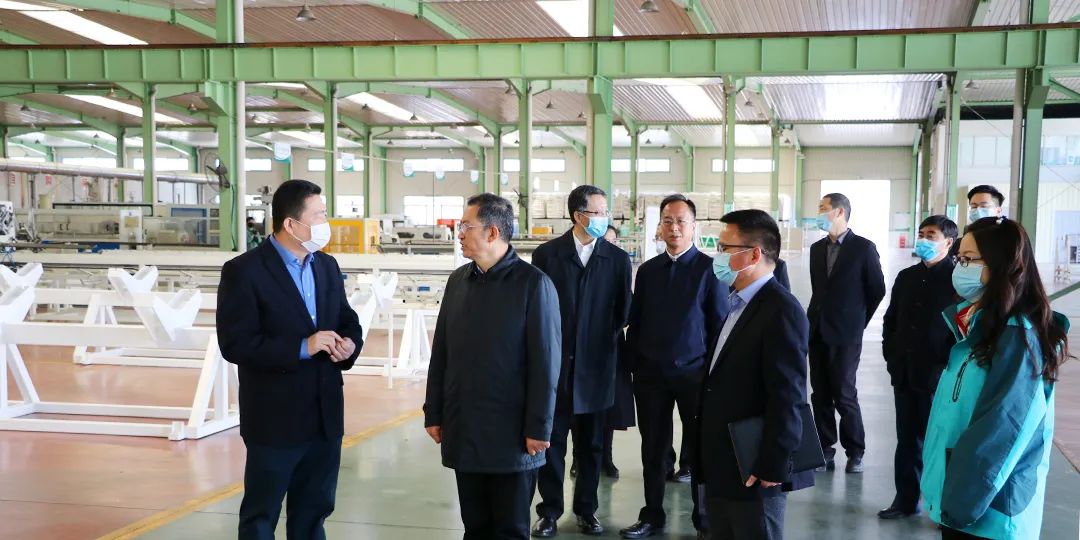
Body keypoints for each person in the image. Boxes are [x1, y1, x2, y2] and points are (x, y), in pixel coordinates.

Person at [216, 179, 365, 540]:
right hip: (275, 419)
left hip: (325, 416)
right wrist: (302, 346)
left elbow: (347, 320)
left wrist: (349, 345)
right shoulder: (244, 271)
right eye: (319, 215)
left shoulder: (326, 266)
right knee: (261, 516)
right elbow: (236, 344)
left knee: (313, 514)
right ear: (291, 224)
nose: (326, 223)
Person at [424, 193, 561, 540]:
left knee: (509, 529)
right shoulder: (458, 281)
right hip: (465, 427)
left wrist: (539, 427)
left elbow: (546, 364)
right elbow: (442, 352)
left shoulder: (533, 285)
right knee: (475, 526)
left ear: (492, 232)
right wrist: (434, 411)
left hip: (512, 436)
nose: (459, 234)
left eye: (466, 226)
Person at [923, 217, 1069, 540]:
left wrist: (958, 504)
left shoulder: (1018, 338)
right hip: (965, 502)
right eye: (959, 259)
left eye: (968, 260)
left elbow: (1002, 429)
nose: (959, 268)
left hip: (990, 512)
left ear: (1002, 266)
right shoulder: (979, 326)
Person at [698, 209, 814, 540]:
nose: (718, 256)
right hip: (724, 461)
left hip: (754, 465)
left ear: (754, 254)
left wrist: (773, 463)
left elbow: (788, 396)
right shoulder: (738, 303)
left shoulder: (781, 310)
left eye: (725, 248)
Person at [622, 194, 728, 539]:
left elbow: (718, 325)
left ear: (694, 226)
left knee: (699, 449)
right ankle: (652, 514)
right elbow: (636, 321)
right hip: (651, 376)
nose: (674, 228)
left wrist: (711, 373)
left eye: (681, 221)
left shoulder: (710, 270)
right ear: (660, 226)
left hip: (694, 375)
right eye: (668, 221)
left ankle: (704, 518)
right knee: (653, 448)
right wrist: (635, 364)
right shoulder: (648, 271)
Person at [530, 185, 633, 537]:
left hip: (597, 367)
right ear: (578, 216)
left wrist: (594, 337)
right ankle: (549, 512)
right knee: (552, 443)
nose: (605, 218)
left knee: (591, 446)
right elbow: (538, 308)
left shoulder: (617, 259)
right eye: (598, 212)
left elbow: (623, 311)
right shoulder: (547, 255)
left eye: (606, 212)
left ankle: (587, 511)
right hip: (556, 367)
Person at [878, 215, 958, 520]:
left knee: (939, 442)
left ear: (948, 242)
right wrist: (892, 355)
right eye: (922, 233)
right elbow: (891, 320)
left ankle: (942, 506)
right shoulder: (907, 276)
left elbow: (961, 329)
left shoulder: (957, 280)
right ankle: (906, 500)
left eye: (931, 235)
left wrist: (946, 366)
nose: (923, 239)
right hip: (905, 372)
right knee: (907, 440)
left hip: (939, 376)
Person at [807, 193, 885, 474]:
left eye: (823, 208)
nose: (818, 213)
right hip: (817, 329)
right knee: (820, 394)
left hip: (846, 334)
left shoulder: (863, 248)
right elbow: (819, 290)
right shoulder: (816, 249)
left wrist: (856, 320)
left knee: (844, 392)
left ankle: (855, 451)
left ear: (839, 212)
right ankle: (824, 450)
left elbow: (877, 289)